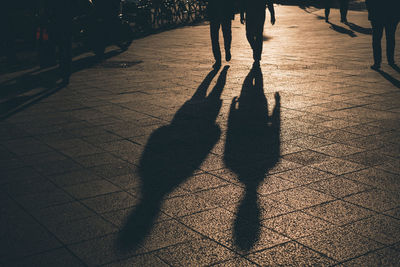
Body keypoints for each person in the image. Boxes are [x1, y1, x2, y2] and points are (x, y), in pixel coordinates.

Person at [240, 0, 275, 68]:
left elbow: (269, 2)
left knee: (258, 35)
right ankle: (256, 50)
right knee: (249, 34)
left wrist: (272, 15)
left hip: (259, 12)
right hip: (251, 12)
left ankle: (257, 54)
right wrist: (242, 14)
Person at [366, 0, 400, 70]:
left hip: (376, 14)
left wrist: (370, 11)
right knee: (390, 38)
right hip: (392, 15)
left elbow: (368, 2)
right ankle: (390, 60)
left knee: (376, 39)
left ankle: (377, 62)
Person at [207, 0, 235, 69]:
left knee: (214, 36)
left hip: (215, 11)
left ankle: (218, 59)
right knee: (226, 34)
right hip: (225, 11)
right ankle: (226, 50)